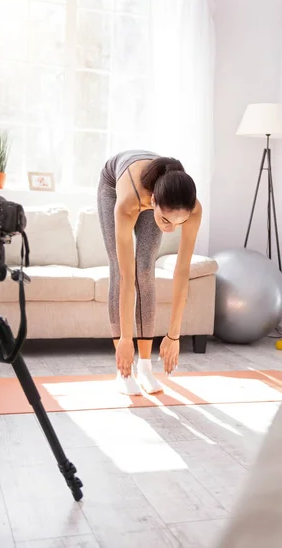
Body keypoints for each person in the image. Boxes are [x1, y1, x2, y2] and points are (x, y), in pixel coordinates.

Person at [97, 149, 202, 395]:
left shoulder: (191, 208)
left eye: (180, 223)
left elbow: (182, 271)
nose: (172, 230)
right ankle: (123, 371)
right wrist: (125, 339)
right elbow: (125, 277)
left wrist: (174, 335)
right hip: (114, 185)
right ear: (153, 202)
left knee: (145, 269)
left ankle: (144, 368)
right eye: (166, 221)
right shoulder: (127, 203)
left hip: (157, 190)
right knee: (119, 267)